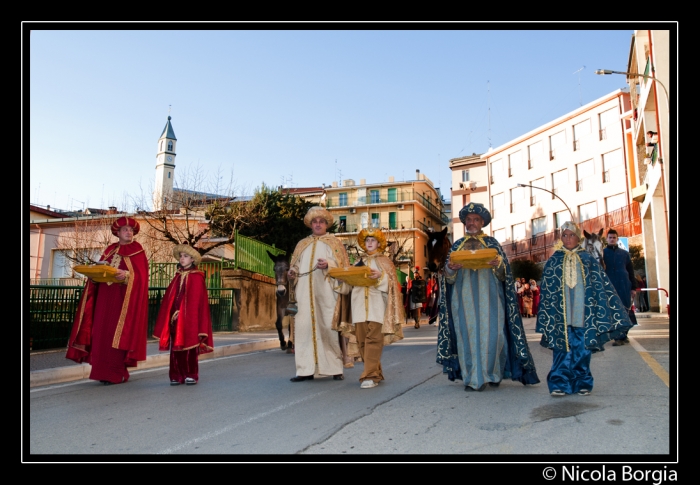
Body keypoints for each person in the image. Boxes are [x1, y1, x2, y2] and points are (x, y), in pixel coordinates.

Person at [440, 203, 540, 391]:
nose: (472, 223)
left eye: (476, 219)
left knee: (493, 336)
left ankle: (493, 374)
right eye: (468, 220)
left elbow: (505, 276)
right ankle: (472, 378)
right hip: (463, 301)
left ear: (483, 222)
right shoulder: (456, 246)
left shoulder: (493, 244)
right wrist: (450, 269)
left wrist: (498, 264)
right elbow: (448, 279)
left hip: (491, 300)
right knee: (467, 337)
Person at [536, 222, 634, 397]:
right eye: (564, 235)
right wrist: (548, 313)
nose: (568, 239)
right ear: (561, 238)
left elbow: (600, 285)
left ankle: (582, 382)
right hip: (561, 315)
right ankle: (559, 383)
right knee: (561, 349)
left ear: (578, 238)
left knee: (582, 348)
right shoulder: (554, 260)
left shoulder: (588, 259)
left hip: (583, 314)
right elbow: (547, 289)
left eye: (571, 235)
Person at [66, 216, 149, 385]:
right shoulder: (109, 250)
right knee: (100, 333)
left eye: (131, 230)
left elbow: (141, 277)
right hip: (104, 298)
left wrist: (126, 275)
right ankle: (101, 372)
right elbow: (101, 270)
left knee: (116, 335)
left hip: (122, 300)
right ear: (117, 233)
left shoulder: (138, 250)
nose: (129, 232)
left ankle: (116, 373)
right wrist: (94, 276)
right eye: (125, 230)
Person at [287, 206, 351, 382]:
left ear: (326, 224)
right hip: (303, 296)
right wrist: (292, 272)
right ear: (310, 224)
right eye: (314, 222)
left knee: (328, 329)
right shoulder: (302, 244)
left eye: (321, 222)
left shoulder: (335, 243)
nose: (317, 224)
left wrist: (329, 265)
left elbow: (343, 268)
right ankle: (305, 370)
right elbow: (296, 266)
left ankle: (335, 368)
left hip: (327, 294)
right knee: (304, 330)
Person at [344, 229, 404, 389]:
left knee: (373, 340)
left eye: (373, 240)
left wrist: (381, 277)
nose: (370, 243)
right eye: (367, 240)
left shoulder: (385, 262)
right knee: (362, 341)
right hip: (358, 307)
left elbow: (392, 284)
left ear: (379, 243)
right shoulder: (357, 261)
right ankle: (375, 370)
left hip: (377, 307)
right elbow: (348, 284)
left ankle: (369, 375)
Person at [153, 243, 214, 385]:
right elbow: (171, 298)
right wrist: (172, 312)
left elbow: (196, 301)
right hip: (175, 318)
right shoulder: (177, 276)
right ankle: (175, 375)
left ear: (192, 259)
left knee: (190, 348)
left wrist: (183, 312)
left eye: (186, 256)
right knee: (176, 348)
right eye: (181, 256)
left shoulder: (197, 277)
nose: (182, 258)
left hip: (190, 319)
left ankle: (191, 374)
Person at [603, 229, 638, 346]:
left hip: (624, 285)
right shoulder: (602, 254)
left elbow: (630, 271)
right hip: (610, 286)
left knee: (625, 310)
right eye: (610, 237)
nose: (612, 239)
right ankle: (618, 337)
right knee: (613, 311)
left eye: (614, 237)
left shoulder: (625, 254)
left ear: (617, 239)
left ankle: (624, 335)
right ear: (607, 239)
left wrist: (633, 287)